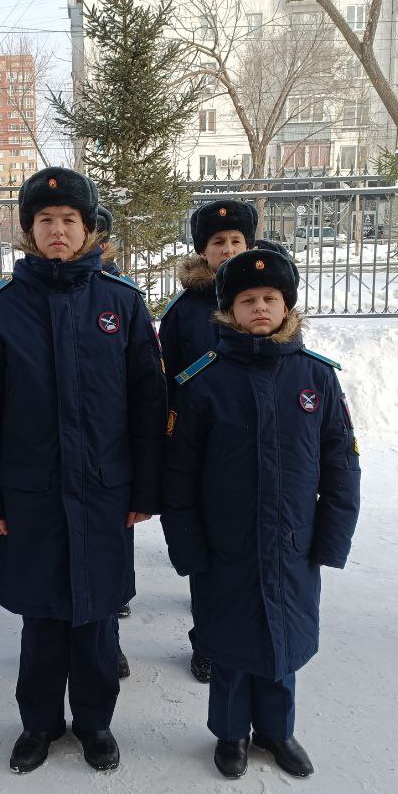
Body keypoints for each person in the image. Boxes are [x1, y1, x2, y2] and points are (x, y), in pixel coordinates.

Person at [0, 166, 165, 773]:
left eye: (69, 220)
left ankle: (96, 724)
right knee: (43, 619)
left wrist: (145, 488)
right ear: (29, 230)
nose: (57, 230)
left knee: (96, 618)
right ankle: (39, 724)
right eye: (45, 220)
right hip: (31, 494)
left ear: (88, 228)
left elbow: (148, 403)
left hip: (104, 491)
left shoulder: (121, 304)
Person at [161, 247, 360, 779]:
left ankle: (276, 730)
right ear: (228, 310)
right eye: (247, 300)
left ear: (287, 305)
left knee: (284, 638)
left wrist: (331, 539)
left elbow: (342, 464)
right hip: (225, 543)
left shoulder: (316, 378)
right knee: (229, 640)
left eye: (270, 298)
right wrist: (187, 545)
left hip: (294, 539)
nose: (260, 308)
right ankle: (230, 734)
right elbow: (178, 477)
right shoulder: (204, 381)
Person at [158, 199, 258, 684]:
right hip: (203, 446)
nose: (228, 249)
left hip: (256, 442)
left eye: (237, 241)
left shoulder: (263, 299)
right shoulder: (184, 311)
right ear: (202, 250)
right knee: (209, 549)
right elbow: (168, 379)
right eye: (218, 242)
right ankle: (208, 640)